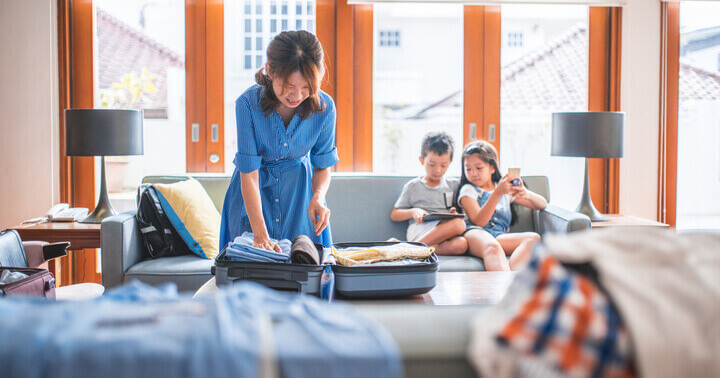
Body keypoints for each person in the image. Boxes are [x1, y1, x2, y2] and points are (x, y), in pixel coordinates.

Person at [220, 31, 338, 252]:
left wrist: (318, 197)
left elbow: (323, 165)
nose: (297, 95)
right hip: (252, 197)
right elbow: (249, 174)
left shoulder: (325, 107)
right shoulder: (247, 104)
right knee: (250, 271)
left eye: (306, 87)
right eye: (288, 86)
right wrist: (260, 234)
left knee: (306, 270)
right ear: (270, 71)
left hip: (299, 197)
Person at [454, 140, 547, 271]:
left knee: (533, 238)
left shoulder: (503, 189)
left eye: (479, 168)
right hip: (475, 234)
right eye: (468, 169)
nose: (473, 173)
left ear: (492, 168)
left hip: (498, 236)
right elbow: (479, 221)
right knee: (492, 247)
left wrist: (525, 192)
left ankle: (509, 282)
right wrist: (497, 194)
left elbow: (542, 204)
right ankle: (504, 286)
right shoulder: (468, 190)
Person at [390, 132, 468, 255]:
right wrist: (414, 211)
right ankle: (412, 248)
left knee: (461, 244)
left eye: (443, 165)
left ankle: (409, 250)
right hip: (420, 229)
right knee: (459, 224)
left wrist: (454, 213)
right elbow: (395, 214)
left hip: (441, 233)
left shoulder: (453, 185)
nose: (437, 170)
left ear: (450, 162)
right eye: (432, 164)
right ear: (422, 160)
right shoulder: (413, 186)